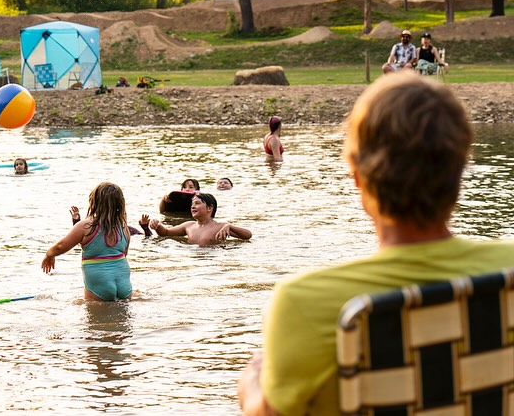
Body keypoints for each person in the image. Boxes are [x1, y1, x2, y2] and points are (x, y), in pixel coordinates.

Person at [236, 72, 514, 416]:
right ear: (460, 169)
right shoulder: (508, 269)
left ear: (358, 178)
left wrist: (252, 379)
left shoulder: (303, 304)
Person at [42, 182, 132, 301]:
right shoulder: (124, 227)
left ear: (94, 202)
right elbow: (124, 254)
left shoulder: (86, 225)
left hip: (99, 282)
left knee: (94, 317)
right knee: (122, 316)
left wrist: (49, 254)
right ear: (120, 203)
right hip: (124, 282)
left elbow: (60, 246)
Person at [149, 192, 252, 246]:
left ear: (209, 208)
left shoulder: (220, 227)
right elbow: (166, 232)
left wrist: (230, 226)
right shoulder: (188, 225)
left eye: (197, 203)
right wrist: (157, 226)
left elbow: (248, 235)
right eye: (192, 204)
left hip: (212, 261)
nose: (193, 206)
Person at [70, 205, 152, 237]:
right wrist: (76, 222)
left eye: (124, 215)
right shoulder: (99, 230)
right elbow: (80, 237)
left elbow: (149, 238)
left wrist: (145, 228)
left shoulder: (128, 230)